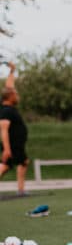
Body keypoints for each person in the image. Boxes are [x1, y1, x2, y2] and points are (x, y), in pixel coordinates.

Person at [0, 62, 29, 196]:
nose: (17, 96)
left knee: (23, 162)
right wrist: (6, 149)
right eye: (15, 94)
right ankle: (21, 190)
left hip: (16, 144)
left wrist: (12, 71)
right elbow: (3, 130)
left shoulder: (9, 108)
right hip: (11, 144)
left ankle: (21, 190)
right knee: (5, 165)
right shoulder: (6, 111)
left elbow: (9, 86)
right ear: (10, 97)